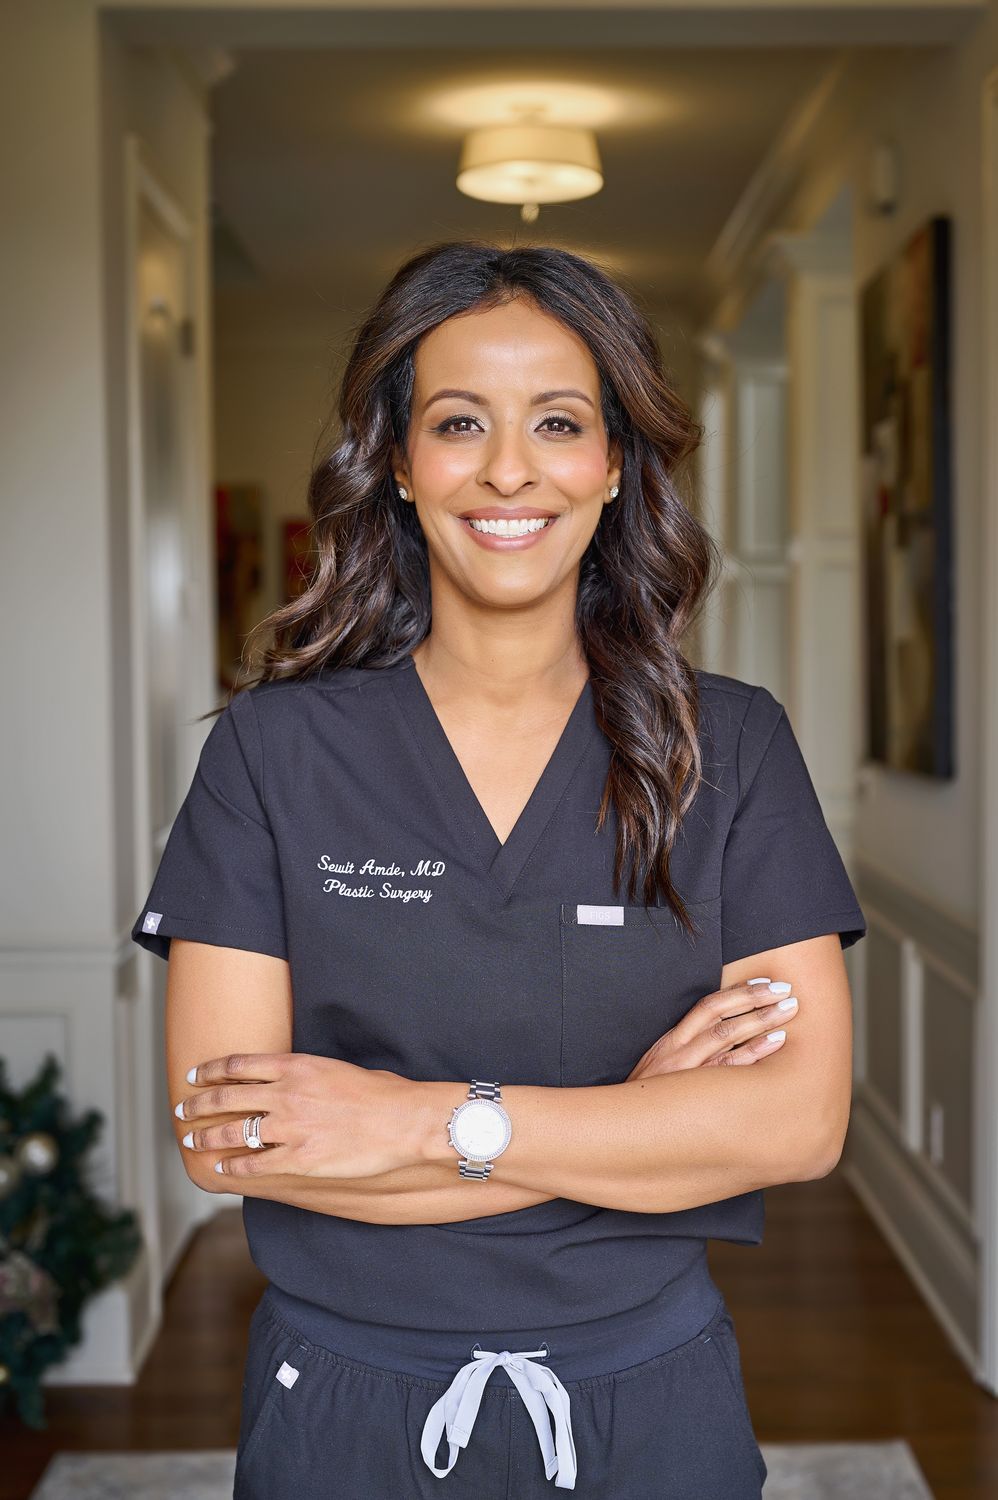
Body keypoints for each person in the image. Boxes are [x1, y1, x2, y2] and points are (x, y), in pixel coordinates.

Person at [132, 240, 866, 1498]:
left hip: (650, 1398)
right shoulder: (272, 751)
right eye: (459, 422)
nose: (508, 469)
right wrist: (636, 1131)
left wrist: (418, 1124)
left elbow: (797, 1124)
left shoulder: (728, 744)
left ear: (613, 467)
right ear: (401, 466)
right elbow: (233, 1143)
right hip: (345, 1404)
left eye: (558, 423)